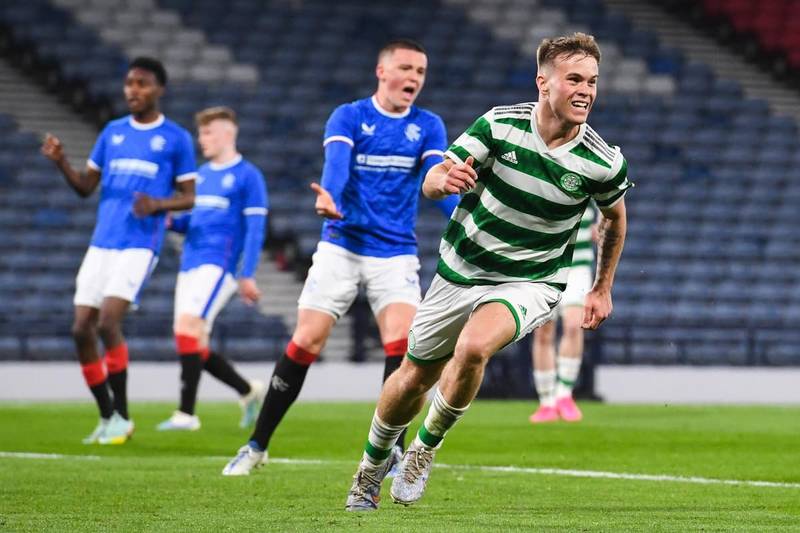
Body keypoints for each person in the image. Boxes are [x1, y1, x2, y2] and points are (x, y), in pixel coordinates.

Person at [344, 32, 631, 511]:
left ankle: (423, 450)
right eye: (574, 79)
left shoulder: (602, 161)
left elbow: (616, 219)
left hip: (532, 280)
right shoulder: (499, 125)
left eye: (593, 82)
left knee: (474, 347)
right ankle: (370, 468)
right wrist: (443, 181)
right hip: (461, 269)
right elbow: (436, 178)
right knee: (414, 377)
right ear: (544, 82)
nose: (585, 90)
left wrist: (602, 287)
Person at [221, 38, 458, 476]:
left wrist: (467, 212)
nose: (414, 78)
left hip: (395, 250)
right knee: (308, 339)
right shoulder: (350, 115)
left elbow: (435, 179)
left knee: (404, 346)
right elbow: (337, 166)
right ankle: (256, 445)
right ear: (381, 71)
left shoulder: (427, 125)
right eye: (406, 68)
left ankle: (392, 451)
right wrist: (330, 196)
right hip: (342, 243)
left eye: (421, 72)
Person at [40, 57, 196, 444]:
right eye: (129, 83)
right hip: (102, 242)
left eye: (141, 83)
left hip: (140, 243)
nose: (132, 90)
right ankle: (108, 415)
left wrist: (157, 205)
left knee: (108, 322)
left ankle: (123, 417)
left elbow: (189, 197)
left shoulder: (175, 138)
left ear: (159, 89)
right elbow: (84, 187)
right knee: (80, 329)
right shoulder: (111, 133)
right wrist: (62, 162)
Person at [156, 106, 268, 432]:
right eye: (201, 133)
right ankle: (247, 391)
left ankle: (186, 414)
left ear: (227, 134)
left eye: (208, 133)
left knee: (189, 327)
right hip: (189, 263)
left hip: (220, 265)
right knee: (190, 339)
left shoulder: (248, 176)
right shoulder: (201, 177)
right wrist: (169, 220)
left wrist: (247, 272)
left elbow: (256, 227)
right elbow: (190, 221)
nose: (201, 139)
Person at [530, 204, 597, 423]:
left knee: (572, 326)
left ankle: (564, 395)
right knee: (543, 333)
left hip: (577, 268)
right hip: (546, 267)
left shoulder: (589, 181)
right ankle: (546, 401)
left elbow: (606, 218)